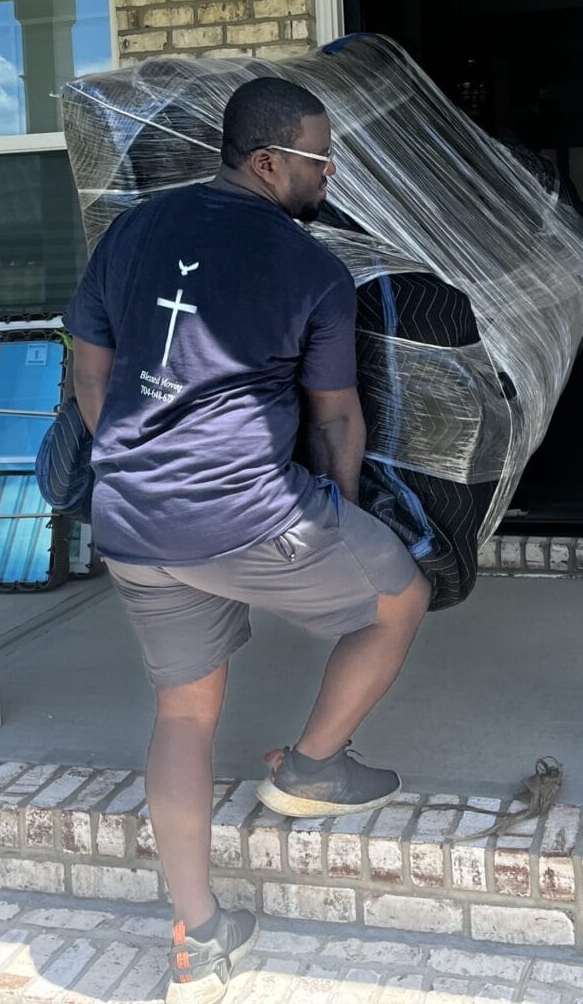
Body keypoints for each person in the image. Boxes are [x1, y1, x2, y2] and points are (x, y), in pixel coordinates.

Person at [64, 77, 430, 1003]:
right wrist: (340, 525)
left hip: (134, 522)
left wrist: (131, 468)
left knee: (185, 716)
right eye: (319, 156)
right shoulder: (311, 267)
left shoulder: (135, 231)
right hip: (251, 513)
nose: (330, 170)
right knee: (399, 598)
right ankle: (313, 766)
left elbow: (91, 369)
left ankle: (200, 934)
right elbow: (338, 421)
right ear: (268, 161)